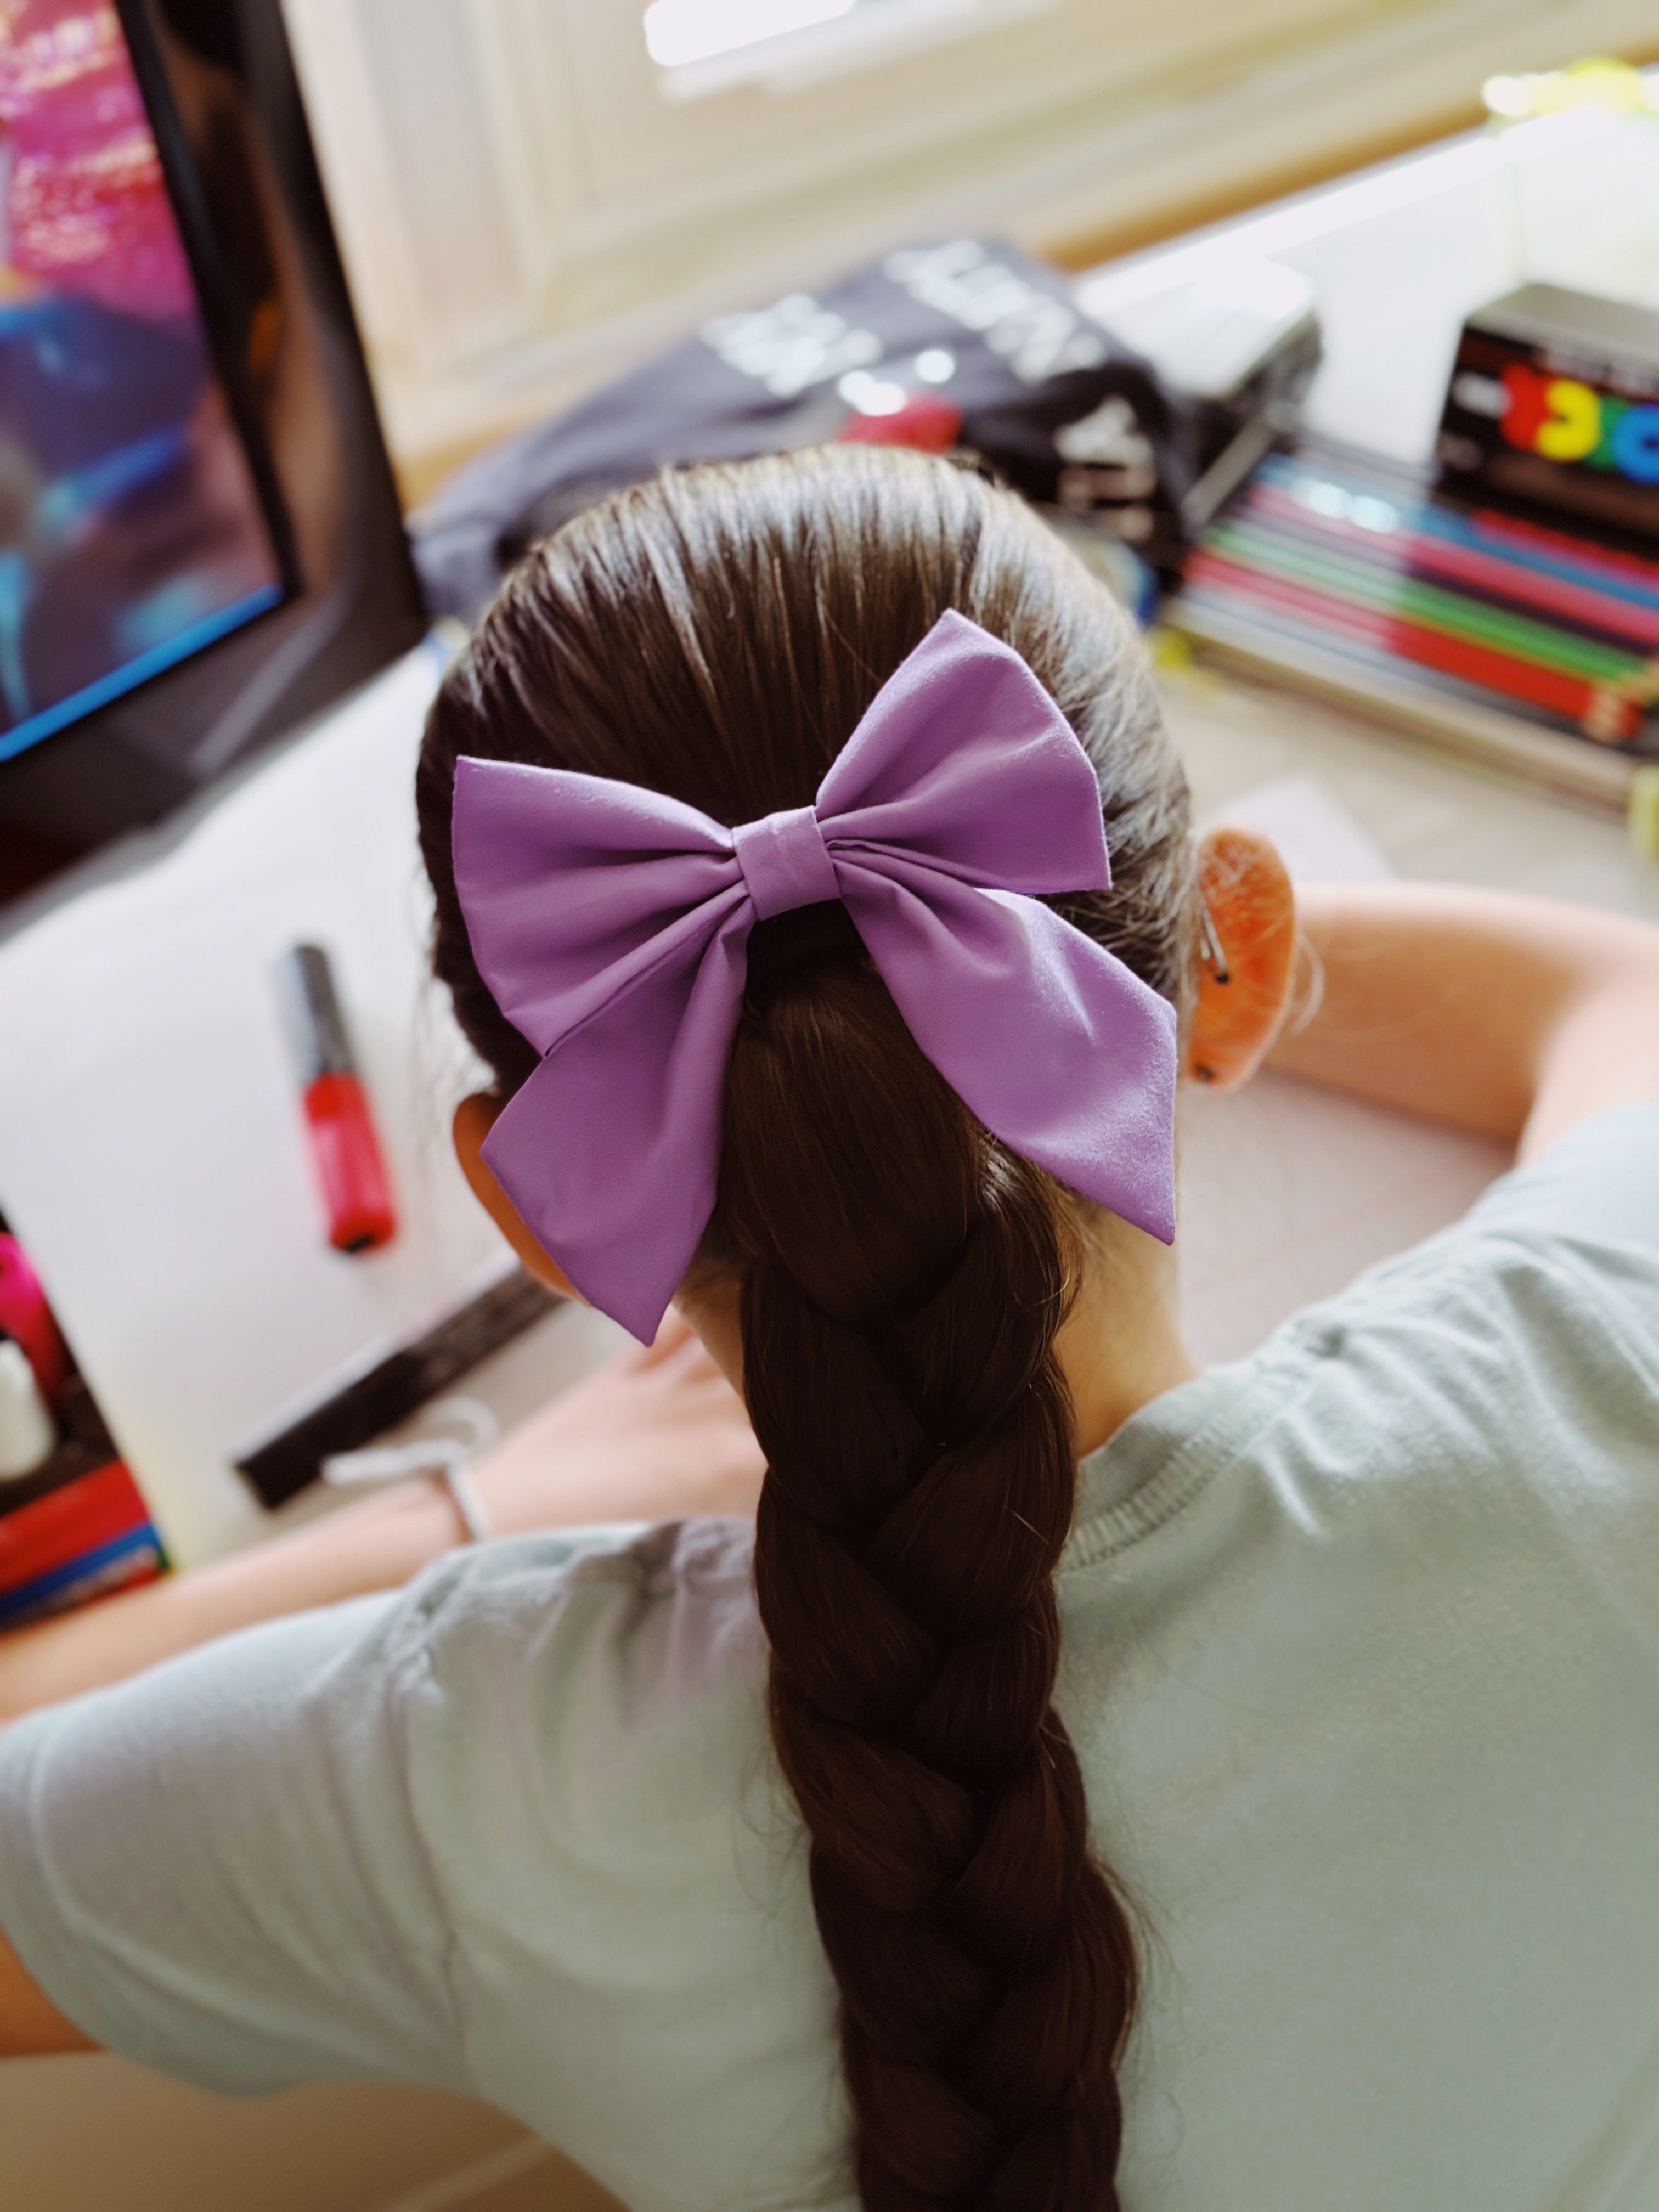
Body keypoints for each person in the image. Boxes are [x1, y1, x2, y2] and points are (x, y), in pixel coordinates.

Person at [2, 444, 1657, 2212]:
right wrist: (1134, 953)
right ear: (1231, 956)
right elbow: (1615, 992)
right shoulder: (1594, 1386)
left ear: (543, 1201)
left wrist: (472, 1511)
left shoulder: (469, 1779)